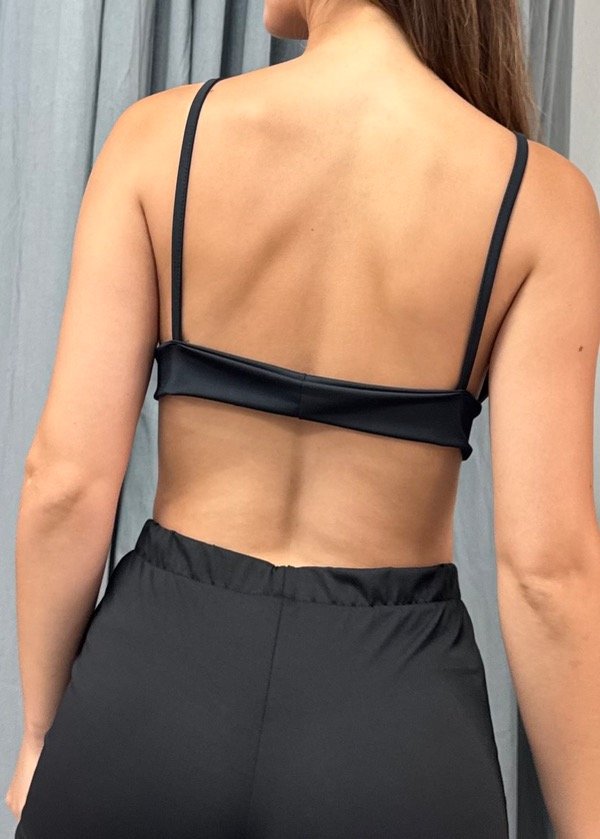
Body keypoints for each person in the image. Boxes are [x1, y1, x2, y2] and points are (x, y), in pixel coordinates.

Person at [7, 0, 599, 837]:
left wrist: (41, 730)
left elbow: (64, 484)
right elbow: (547, 573)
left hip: (149, 694)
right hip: (395, 726)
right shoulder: (540, 201)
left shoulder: (158, 141)